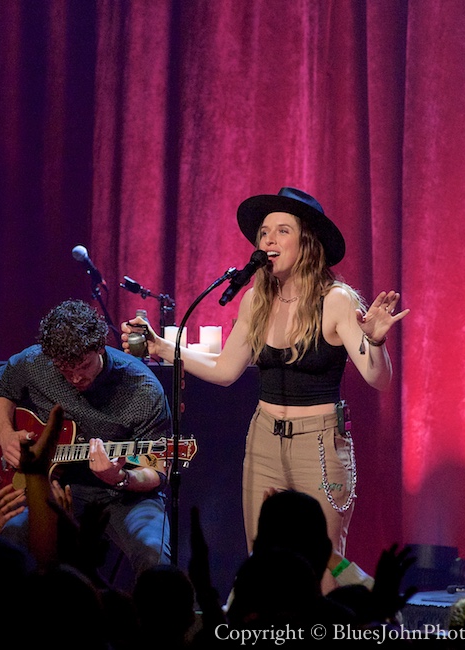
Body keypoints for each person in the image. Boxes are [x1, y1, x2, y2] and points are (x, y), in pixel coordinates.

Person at [121, 187, 408, 589]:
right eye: (264, 233)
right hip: (264, 440)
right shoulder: (255, 300)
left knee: (322, 565)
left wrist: (375, 341)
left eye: (282, 231)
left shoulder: (336, 300)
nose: (269, 240)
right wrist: (163, 348)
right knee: (264, 565)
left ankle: (358, 604)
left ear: (307, 243)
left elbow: (378, 378)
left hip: (320, 446)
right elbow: (226, 369)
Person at [0, 298, 173, 583]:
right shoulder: (35, 362)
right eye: (65, 370)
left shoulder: (142, 389)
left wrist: (120, 477)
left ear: (100, 348)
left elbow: (158, 469)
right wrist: (5, 434)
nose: (75, 378)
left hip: (125, 495)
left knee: (153, 556)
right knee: (10, 541)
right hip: (56, 489)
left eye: (84, 366)